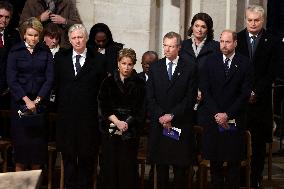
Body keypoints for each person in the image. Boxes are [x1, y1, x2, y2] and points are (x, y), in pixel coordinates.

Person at [54, 24, 105, 189]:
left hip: (88, 121)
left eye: (80, 37)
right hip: (66, 120)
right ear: (69, 39)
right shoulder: (61, 58)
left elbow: (102, 91)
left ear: (86, 38)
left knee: (86, 162)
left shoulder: (98, 60)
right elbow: (55, 85)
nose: (77, 40)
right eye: (74, 37)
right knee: (68, 161)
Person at [199, 30, 252, 189]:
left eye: (227, 42)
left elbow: (244, 94)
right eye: (221, 41)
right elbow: (205, 90)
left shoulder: (245, 63)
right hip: (214, 119)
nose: (224, 45)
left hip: (234, 119)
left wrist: (227, 114)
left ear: (235, 43)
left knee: (233, 164)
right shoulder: (210, 61)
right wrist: (217, 113)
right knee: (215, 164)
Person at [146, 31, 197, 189]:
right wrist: (162, 116)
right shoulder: (155, 68)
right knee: (161, 169)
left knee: (180, 170)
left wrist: (171, 115)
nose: (167, 50)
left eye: (171, 46)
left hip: (179, 124)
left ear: (179, 48)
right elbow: (150, 97)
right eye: (165, 46)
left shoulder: (189, 68)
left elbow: (190, 98)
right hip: (160, 125)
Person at [236, 5, 276, 188]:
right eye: (250, 20)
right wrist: (246, 92)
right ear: (246, 20)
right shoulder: (237, 39)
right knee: (239, 142)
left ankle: (255, 179)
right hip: (240, 101)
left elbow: (273, 71)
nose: (252, 23)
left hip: (261, 102)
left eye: (256, 20)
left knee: (258, 144)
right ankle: (241, 178)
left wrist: (256, 92)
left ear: (263, 20)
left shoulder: (273, 40)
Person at [6, 17, 54, 171]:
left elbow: (50, 78)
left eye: (36, 35)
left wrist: (37, 100)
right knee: (21, 152)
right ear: (24, 35)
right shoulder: (15, 51)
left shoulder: (45, 52)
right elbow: (11, 80)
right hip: (20, 105)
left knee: (37, 152)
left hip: (40, 106)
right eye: (30, 35)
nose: (33, 38)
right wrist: (27, 101)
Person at [98, 48, 145, 189]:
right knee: (110, 163)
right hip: (111, 126)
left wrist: (126, 123)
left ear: (134, 65)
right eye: (123, 63)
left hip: (130, 129)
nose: (126, 67)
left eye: (129, 64)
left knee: (127, 165)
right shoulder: (108, 81)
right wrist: (117, 122)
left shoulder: (140, 83)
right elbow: (103, 105)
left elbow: (140, 108)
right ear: (118, 63)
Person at [179, 13, 219, 124]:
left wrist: (204, 91)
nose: (199, 30)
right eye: (196, 26)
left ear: (208, 29)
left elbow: (216, 74)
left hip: (207, 98)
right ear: (192, 27)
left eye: (203, 27)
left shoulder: (215, 47)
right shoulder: (182, 46)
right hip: (185, 96)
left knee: (204, 133)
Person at [0, 1, 20, 110]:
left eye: (7, 17)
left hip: (7, 91)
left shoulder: (14, 35)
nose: (3, 20)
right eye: (1, 16)